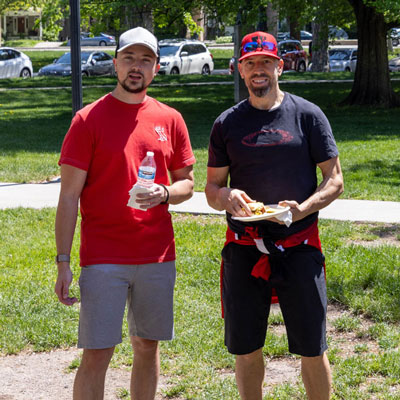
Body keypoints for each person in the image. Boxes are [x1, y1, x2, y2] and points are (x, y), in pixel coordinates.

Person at [54, 26, 195, 400]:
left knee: (147, 346)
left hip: (156, 254)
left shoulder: (170, 119)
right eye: (129, 58)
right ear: (115, 64)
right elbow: (68, 196)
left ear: (157, 68)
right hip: (103, 257)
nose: (137, 67)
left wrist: (165, 192)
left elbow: (187, 184)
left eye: (145, 60)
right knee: (98, 352)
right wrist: (63, 261)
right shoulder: (88, 120)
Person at [205, 31, 343, 400]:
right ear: (240, 70)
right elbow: (212, 190)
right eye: (250, 64)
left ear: (280, 66)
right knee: (246, 348)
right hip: (244, 247)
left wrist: (305, 208)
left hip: (299, 246)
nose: (258, 70)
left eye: (266, 62)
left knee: (313, 346)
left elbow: (335, 179)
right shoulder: (226, 123)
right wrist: (227, 195)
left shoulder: (308, 116)